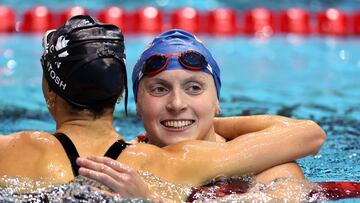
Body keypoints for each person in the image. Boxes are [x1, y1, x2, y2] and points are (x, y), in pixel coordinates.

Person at [0, 15, 325, 201]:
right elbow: (309, 134)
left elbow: (311, 135)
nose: (177, 104)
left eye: (194, 89)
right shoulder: (171, 162)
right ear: (129, 99)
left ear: (49, 92)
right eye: (159, 89)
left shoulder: (276, 172)